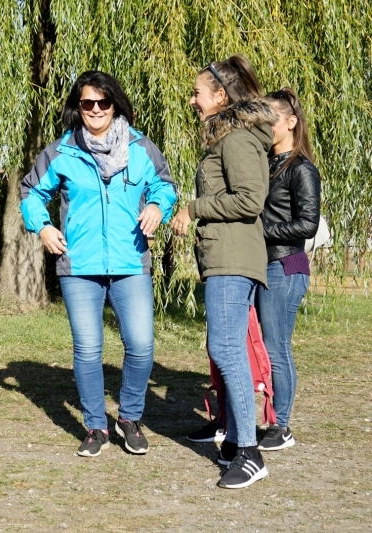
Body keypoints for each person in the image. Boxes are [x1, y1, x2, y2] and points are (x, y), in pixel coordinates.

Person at [21, 71, 177, 457]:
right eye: (87, 103)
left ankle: (129, 417)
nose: (95, 110)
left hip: (130, 260)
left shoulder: (141, 147)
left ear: (115, 105)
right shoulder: (62, 151)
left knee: (140, 345)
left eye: (102, 103)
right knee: (88, 348)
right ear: (78, 107)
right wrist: (41, 227)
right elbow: (30, 191)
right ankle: (95, 426)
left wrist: (158, 206)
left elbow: (165, 185)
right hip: (79, 265)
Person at [170, 55, 275, 488]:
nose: (192, 100)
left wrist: (194, 208)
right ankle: (234, 439)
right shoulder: (227, 137)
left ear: (220, 96)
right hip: (224, 256)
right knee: (225, 348)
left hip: (233, 258)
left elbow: (250, 199)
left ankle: (249, 453)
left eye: (198, 93)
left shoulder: (236, 139)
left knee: (226, 347)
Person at [255, 87, 321, 452]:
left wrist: (259, 231)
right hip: (268, 263)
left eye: (270, 119)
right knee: (266, 344)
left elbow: (307, 225)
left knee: (276, 345)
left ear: (291, 122)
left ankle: (281, 425)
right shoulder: (267, 163)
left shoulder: (301, 168)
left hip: (289, 262)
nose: (264, 125)